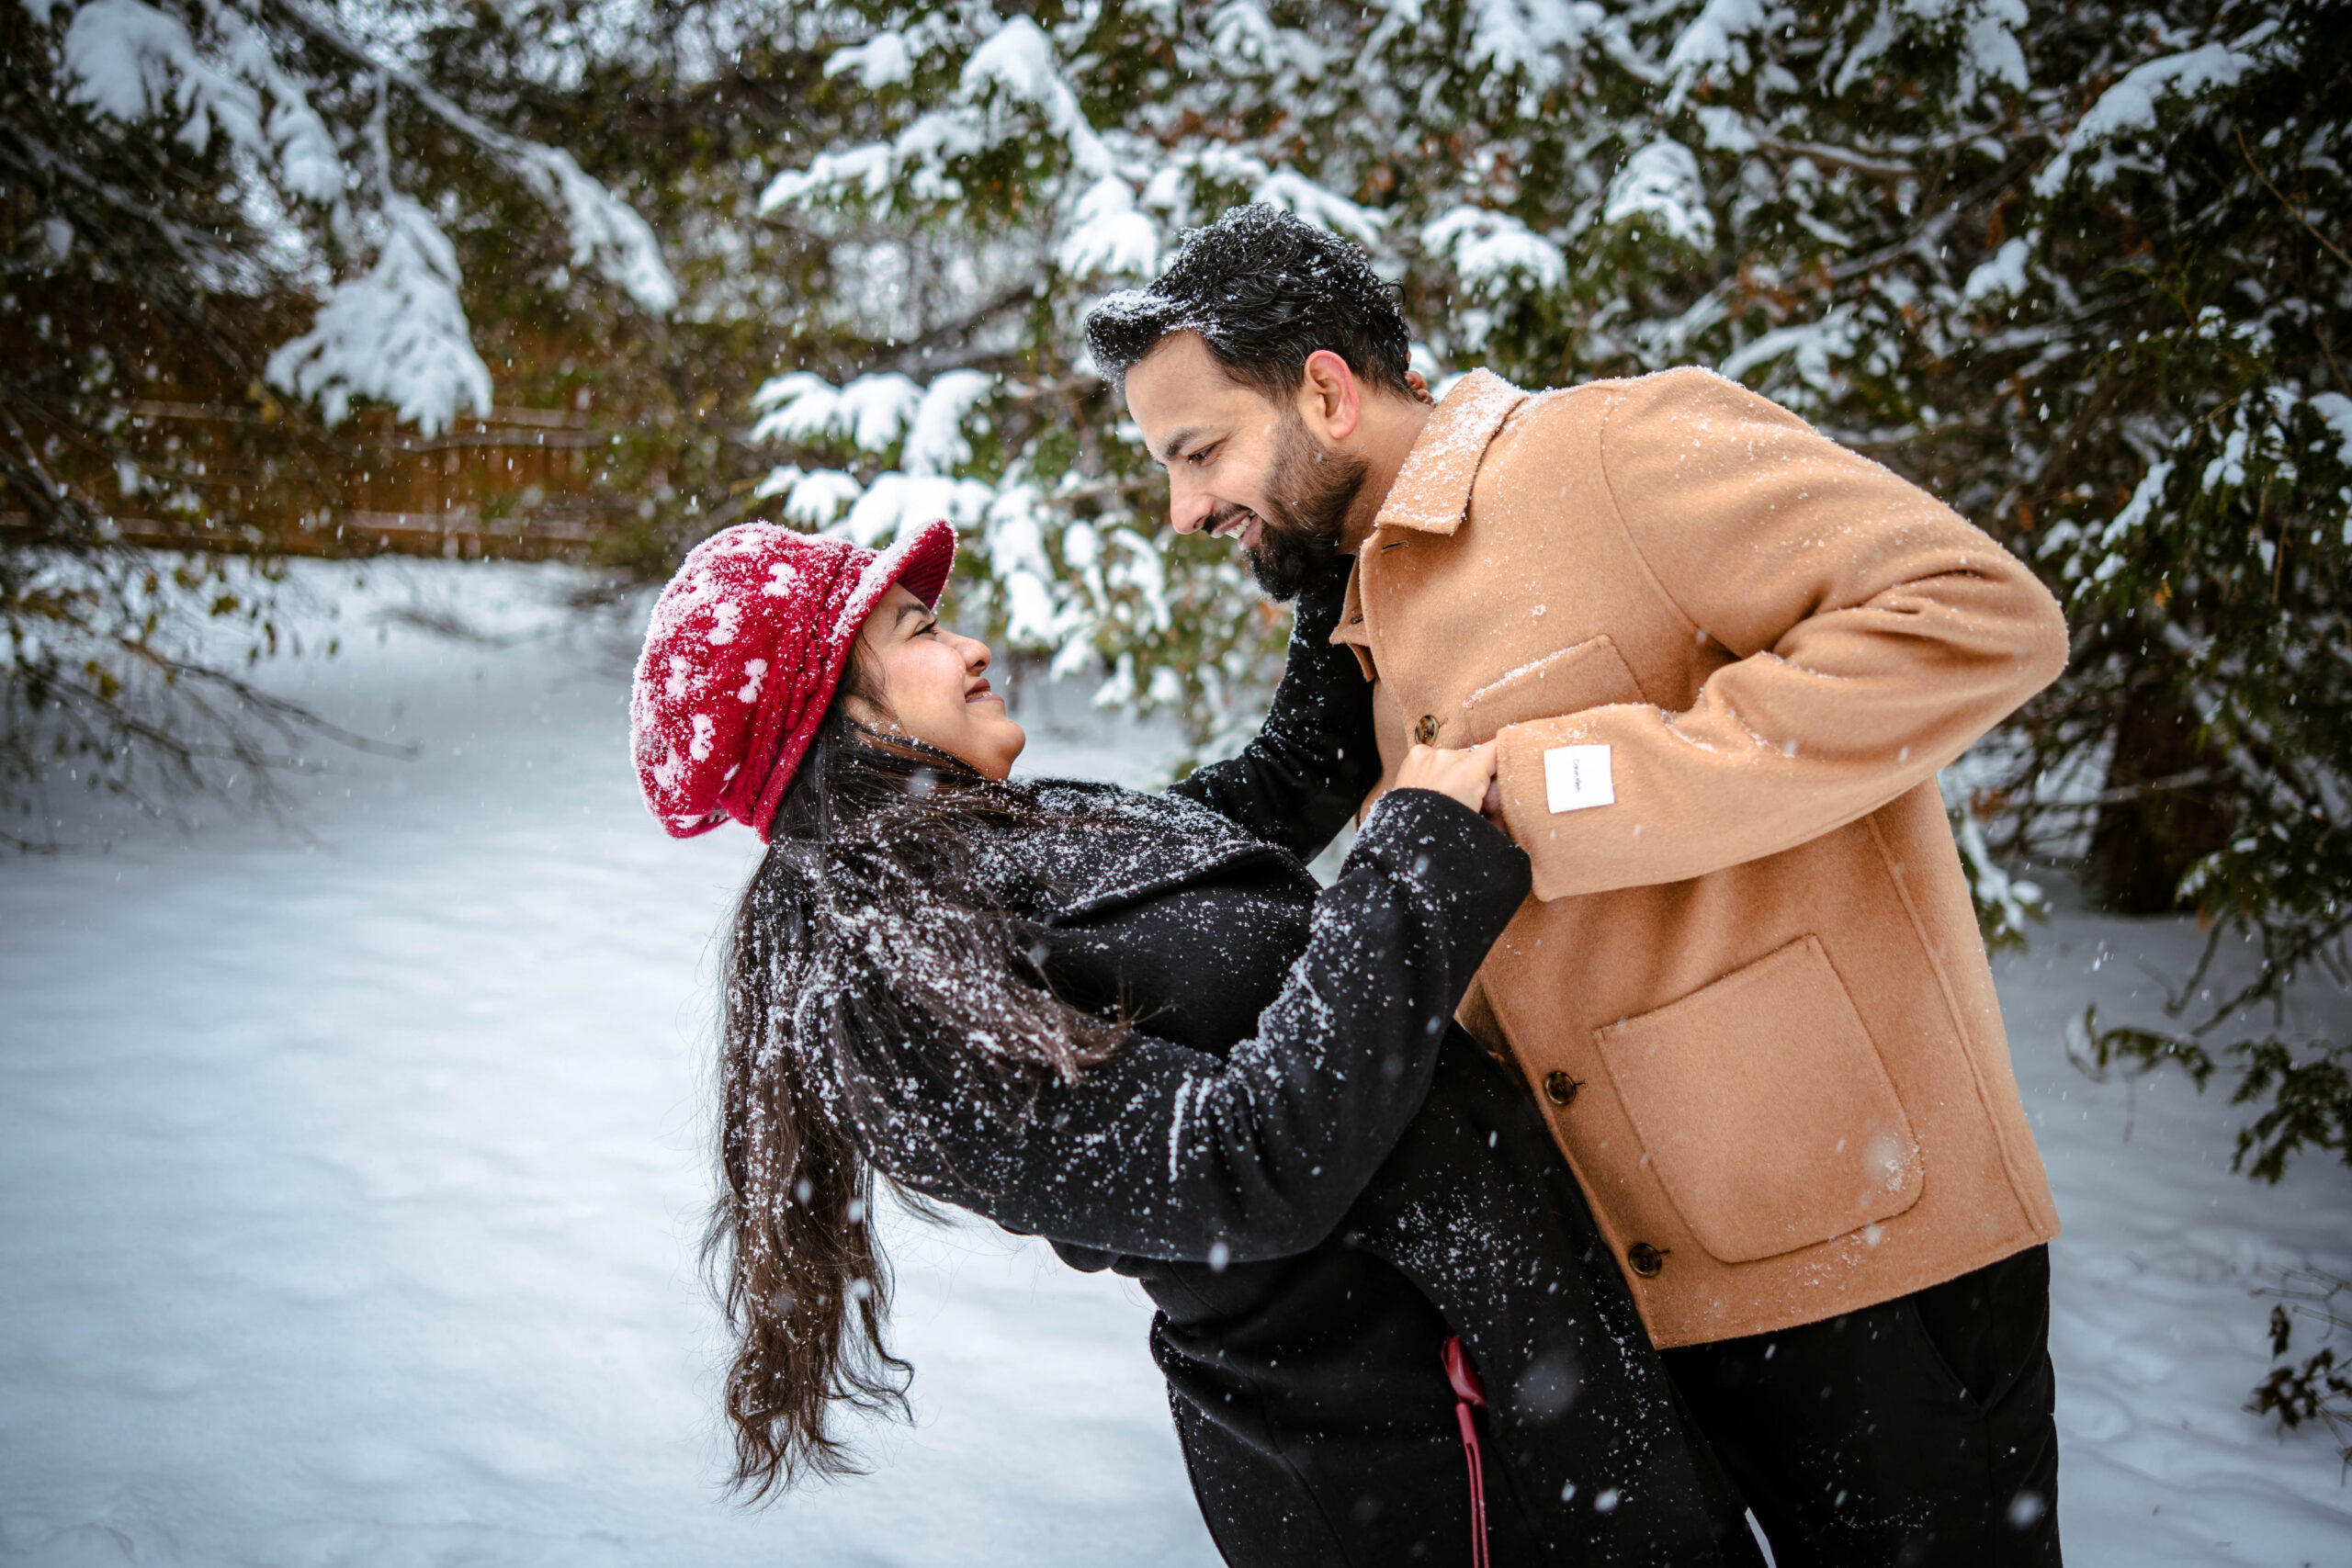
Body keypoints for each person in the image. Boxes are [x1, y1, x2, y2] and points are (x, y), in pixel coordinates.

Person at [1087, 202, 2074, 1568]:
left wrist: (1553, 793)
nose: (1184, 505)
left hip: (1868, 1255)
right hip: (1625, 1302)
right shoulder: (1361, 608)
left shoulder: (1612, 449)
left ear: (1324, 387)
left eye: (1198, 450)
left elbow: (1976, 615)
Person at [630, 519, 1765, 1566]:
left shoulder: (1020, 833)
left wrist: (1329, 547)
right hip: (1416, 1455)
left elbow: (1278, 789)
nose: (971, 646)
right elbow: (1241, 1170)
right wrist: (1413, 862)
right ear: (835, 712)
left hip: (1524, 1358)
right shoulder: (890, 1004)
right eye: (920, 632)